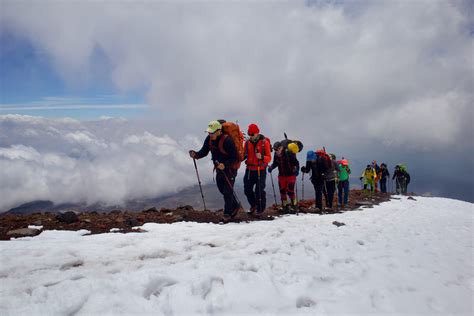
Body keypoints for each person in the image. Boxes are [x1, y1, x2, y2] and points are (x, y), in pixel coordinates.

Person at [189, 120, 241, 221]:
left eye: (212, 132)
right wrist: (195, 154)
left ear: (218, 130)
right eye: (209, 132)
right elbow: (203, 151)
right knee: (222, 189)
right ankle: (235, 206)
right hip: (219, 169)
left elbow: (235, 157)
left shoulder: (227, 140)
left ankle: (227, 214)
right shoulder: (209, 139)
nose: (210, 134)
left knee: (227, 191)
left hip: (230, 169)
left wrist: (225, 165)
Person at [243, 123, 272, 215]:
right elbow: (244, 155)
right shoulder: (247, 143)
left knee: (259, 190)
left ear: (257, 133)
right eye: (249, 134)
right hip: (249, 170)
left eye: (252, 134)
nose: (250, 136)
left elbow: (269, 158)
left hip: (261, 169)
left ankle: (260, 209)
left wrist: (262, 157)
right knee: (247, 190)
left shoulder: (264, 143)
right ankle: (254, 205)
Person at [268, 142, 300, 213]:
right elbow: (275, 163)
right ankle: (285, 206)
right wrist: (271, 167)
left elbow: (296, 163)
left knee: (290, 191)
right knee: (282, 191)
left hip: (291, 175)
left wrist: (296, 169)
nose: (277, 151)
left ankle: (294, 205)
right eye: (275, 150)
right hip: (281, 175)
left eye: (278, 149)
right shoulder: (276, 155)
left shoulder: (289, 153)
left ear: (281, 147)